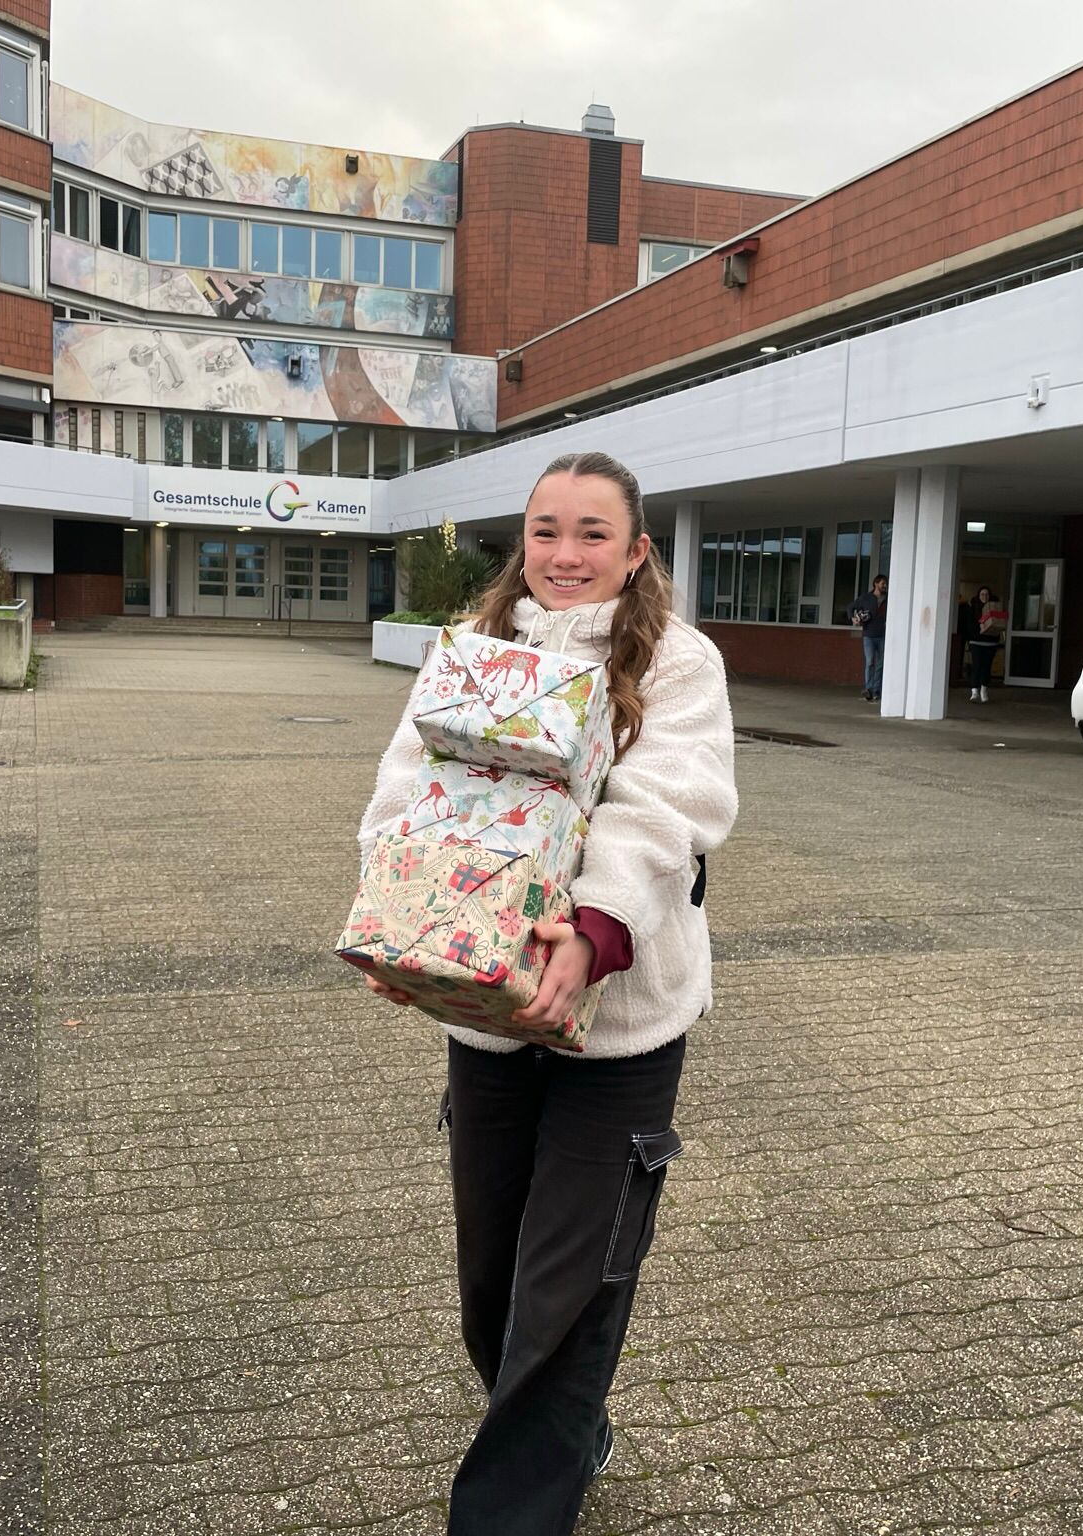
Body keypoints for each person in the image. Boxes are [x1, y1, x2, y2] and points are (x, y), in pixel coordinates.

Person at [357, 450, 739, 1536]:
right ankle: (567, 1432)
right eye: (544, 530)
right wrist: (394, 918)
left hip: (619, 1036)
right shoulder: (475, 649)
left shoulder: (677, 660)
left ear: (636, 549)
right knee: (492, 1285)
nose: (565, 554)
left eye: (591, 533)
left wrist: (596, 928)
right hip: (487, 1019)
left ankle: (513, 1507)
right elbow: (406, 787)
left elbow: (666, 807)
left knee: (567, 1294)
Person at [849, 572, 890, 702]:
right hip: (868, 636)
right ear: (876, 584)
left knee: (881, 664)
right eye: (883, 583)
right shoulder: (866, 598)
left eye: (886, 584)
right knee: (870, 662)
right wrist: (853, 619)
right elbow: (851, 607)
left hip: (882, 635)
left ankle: (876, 691)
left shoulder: (889, 598)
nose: (885, 586)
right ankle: (869, 689)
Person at [967, 584, 1007, 702]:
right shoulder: (973, 608)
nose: (984, 596)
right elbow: (969, 625)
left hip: (990, 642)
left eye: (987, 594)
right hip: (976, 642)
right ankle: (974, 691)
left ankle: (984, 690)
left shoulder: (995, 608)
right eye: (982, 594)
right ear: (978, 595)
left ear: (990, 596)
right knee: (977, 666)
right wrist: (979, 627)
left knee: (986, 667)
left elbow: (1000, 621)